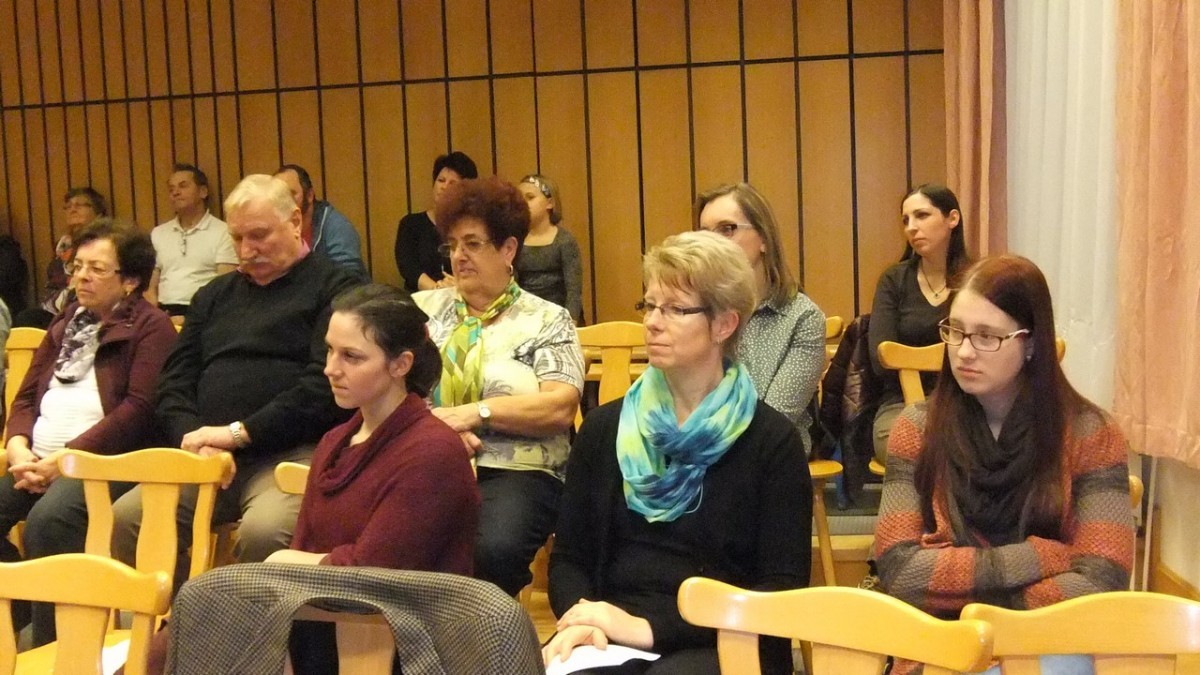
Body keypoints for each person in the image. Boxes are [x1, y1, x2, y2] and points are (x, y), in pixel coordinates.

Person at [145, 283, 480, 675]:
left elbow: (375, 574)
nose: (330, 369)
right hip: (322, 625)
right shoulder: (335, 441)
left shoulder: (432, 451)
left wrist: (283, 561)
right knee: (191, 620)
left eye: (351, 356)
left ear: (400, 364)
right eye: (330, 350)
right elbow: (308, 555)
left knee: (206, 612)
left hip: (400, 648)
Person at [544, 232, 812, 675]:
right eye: (649, 305)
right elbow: (569, 558)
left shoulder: (772, 442)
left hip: (728, 639)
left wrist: (650, 629)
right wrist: (583, 617)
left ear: (724, 325)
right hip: (610, 627)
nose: (652, 322)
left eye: (675, 309)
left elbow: (779, 590)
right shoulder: (604, 429)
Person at [874, 255, 1134, 675]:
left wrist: (974, 610)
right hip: (941, 655)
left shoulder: (1090, 433)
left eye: (987, 337)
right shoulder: (917, 428)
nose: (964, 352)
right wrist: (1038, 558)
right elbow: (900, 570)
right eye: (955, 331)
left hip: (1051, 645)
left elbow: (1103, 578)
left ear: (1030, 343)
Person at [112, 174, 360, 576]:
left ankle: (243, 619)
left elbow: (323, 387)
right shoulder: (213, 295)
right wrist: (195, 439)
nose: (246, 250)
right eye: (237, 238)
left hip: (293, 453)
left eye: (259, 235)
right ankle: (179, 615)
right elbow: (173, 382)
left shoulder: (337, 287)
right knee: (128, 518)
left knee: (266, 532)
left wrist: (239, 433)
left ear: (295, 221)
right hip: (207, 455)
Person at [0, 219, 176, 646]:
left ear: (130, 280)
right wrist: (18, 446)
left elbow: (138, 410)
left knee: (49, 520)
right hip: (37, 461)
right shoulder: (66, 322)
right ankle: (22, 615)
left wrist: (69, 459)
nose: (81, 277)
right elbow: (25, 397)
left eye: (96, 269)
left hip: (108, 464)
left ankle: (56, 647)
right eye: (77, 266)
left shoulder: (151, 327)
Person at [413, 176, 583, 597]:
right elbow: (386, 389)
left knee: (491, 549)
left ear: (508, 249)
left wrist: (475, 413)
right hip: (427, 460)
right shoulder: (419, 312)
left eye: (473, 244)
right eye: (453, 245)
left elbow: (560, 406)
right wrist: (438, 431)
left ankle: (488, 633)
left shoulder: (547, 319)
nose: (459, 256)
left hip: (516, 468)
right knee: (391, 542)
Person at [695, 183, 825, 454]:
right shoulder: (691, 310)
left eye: (727, 229)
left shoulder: (803, 317)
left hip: (769, 453)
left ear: (764, 238)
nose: (714, 244)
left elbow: (776, 418)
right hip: (694, 446)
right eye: (705, 234)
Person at [868, 183, 971, 463]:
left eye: (922, 215)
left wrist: (914, 357)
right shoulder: (894, 280)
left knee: (977, 447)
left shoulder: (977, 280)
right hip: (900, 403)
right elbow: (880, 358)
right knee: (907, 447)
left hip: (966, 401)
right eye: (906, 220)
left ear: (952, 218)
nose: (911, 228)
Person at [146, 163, 238, 315]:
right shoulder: (158, 233)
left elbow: (225, 289)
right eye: (171, 189)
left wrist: (192, 318)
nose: (175, 192)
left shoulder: (223, 232)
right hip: (163, 312)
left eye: (183, 186)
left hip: (205, 312)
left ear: (203, 192)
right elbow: (150, 288)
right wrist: (156, 317)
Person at [13, 187, 107, 328]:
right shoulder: (63, 247)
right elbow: (53, 284)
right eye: (68, 206)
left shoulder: (106, 244)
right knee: (29, 318)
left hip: (89, 307)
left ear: (99, 214)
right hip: (56, 309)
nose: (72, 209)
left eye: (79, 205)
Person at [395, 151, 478, 292]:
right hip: (422, 298)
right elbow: (409, 267)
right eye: (441, 180)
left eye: (452, 183)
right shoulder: (411, 224)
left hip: (464, 295)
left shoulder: (473, 229)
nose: (444, 187)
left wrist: (458, 286)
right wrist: (437, 289)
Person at [274, 163, 368, 280]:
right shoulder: (273, 228)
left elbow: (349, 279)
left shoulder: (337, 226)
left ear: (309, 195)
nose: (284, 202)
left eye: (291, 194)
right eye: (278, 196)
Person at [515, 174, 583, 323]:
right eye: (520, 199)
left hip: (559, 318)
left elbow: (573, 291)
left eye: (530, 197)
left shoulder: (564, 241)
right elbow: (512, 287)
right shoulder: (515, 241)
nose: (523, 204)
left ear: (550, 203)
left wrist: (570, 324)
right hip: (526, 319)